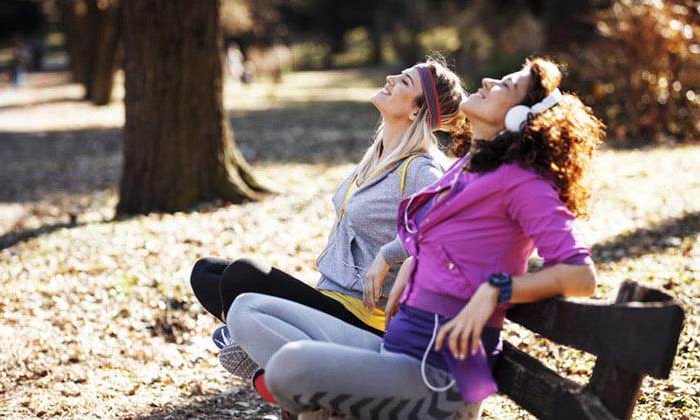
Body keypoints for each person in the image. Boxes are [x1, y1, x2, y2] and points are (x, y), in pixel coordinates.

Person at [226, 56, 605, 419]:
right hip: (394, 351)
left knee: (289, 367)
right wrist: (411, 258)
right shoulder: (467, 171)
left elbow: (580, 276)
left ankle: (327, 404)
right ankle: (329, 405)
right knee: (248, 309)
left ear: (520, 118)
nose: (488, 81)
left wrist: (495, 290)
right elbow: (445, 237)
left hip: (438, 380)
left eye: (506, 85)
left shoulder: (522, 183)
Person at [190, 58, 470, 380]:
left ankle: (256, 356)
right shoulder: (377, 156)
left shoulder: (422, 169)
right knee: (208, 272)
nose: (391, 78)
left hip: (362, 320)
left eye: (404, 82)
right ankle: (253, 348)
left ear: (415, 111)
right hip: (328, 297)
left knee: (243, 274)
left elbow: (451, 230)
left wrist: (389, 255)